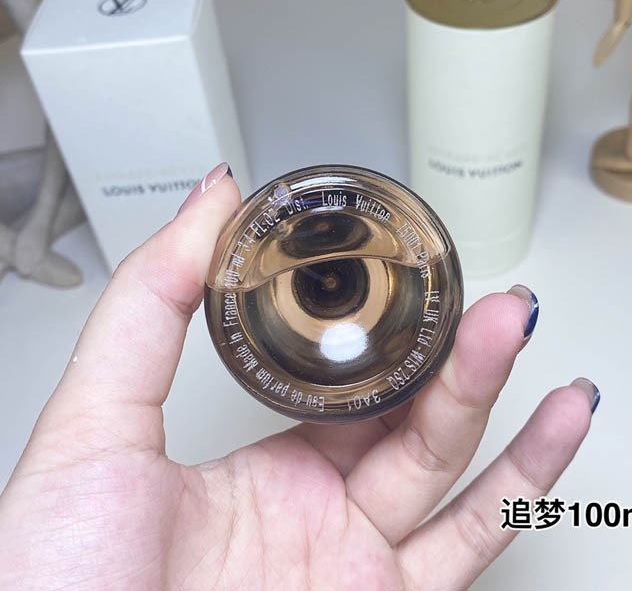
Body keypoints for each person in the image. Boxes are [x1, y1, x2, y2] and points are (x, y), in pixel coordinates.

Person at [0, 163, 599, 590]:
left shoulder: (402, 281)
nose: (330, 283)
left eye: (336, 283)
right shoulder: (257, 306)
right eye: (325, 285)